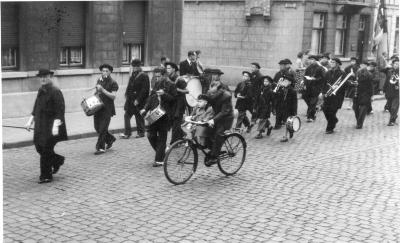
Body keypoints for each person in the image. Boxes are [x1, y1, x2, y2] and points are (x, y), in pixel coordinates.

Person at [25, 69, 68, 183]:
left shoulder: (55, 91)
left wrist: (56, 125)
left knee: (45, 150)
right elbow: (36, 107)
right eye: (41, 77)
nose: (43, 79)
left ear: (50, 77)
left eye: (45, 76)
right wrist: (30, 121)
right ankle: (58, 160)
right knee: (39, 146)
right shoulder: (41, 90)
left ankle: (46, 175)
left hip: (51, 126)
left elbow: (60, 110)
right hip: (40, 125)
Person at [141, 69, 177, 167]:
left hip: (165, 115)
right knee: (150, 135)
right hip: (155, 113)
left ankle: (159, 160)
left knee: (162, 138)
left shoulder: (172, 84)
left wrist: (164, 94)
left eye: (159, 76)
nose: (157, 78)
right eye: (156, 76)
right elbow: (151, 97)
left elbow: (173, 99)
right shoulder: (157, 83)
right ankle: (162, 151)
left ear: (164, 75)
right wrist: (145, 108)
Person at [204, 75, 234, 166]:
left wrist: (213, 120)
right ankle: (213, 150)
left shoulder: (226, 96)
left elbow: (224, 112)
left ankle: (214, 157)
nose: (211, 94)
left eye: (213, 92)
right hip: (216, 116)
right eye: (210, 91)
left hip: (226, 119)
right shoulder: (211, 94)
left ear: (218, 90)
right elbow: (206, 105)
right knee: (207, 131)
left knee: (218, 134)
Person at [93, 64, 119, 154]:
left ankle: (100, 148)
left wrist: (103, 90)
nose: (104, 73)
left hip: (107, 108)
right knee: (97, 128)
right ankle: (110, 139)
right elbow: (96, 92)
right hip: (97, 107)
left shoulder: (113, 83)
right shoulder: (99, 80)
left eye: (106, 71)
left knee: (103, 129)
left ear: (110, 72)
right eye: (103, 71)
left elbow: (113, 96)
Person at [121, 59, 149, 139]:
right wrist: (126, 94)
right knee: (127, 115)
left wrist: (138, 100)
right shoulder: (133, 74)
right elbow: (129, 86)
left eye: (136, 66)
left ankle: (141, 132)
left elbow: (145, 90)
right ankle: (127, 133)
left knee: (138, 116)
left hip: (139, 100)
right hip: (130, 99)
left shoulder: (144, 75)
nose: (134, 68)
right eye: (133, 66)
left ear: (139, 66)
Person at [321, 58, 346, 134]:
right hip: (328, 94)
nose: (331, 63)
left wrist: (337, 87)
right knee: (325, 109)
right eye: (331, 62)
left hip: (337, 96)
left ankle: (329, 128)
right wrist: (322, 92)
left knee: (332, 111)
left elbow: (344, 84)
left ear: (337, 64)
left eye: (333, 62)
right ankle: (334, 120)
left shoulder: (342, 73)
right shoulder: (328, 72)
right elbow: (324, 83)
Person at [273, 59, 297, 128]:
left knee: (285, 110)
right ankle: (278, 124)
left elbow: (294, 83)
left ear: (285, 66)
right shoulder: (278, 74)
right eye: (280, 65)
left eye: (282, 65)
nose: (281, 67)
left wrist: (284, 84)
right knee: (278, 109)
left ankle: (283, 122)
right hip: (278, 94)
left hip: (286, 95)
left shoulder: (289, 74)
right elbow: (274, 81)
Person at [303, 55, 326, 122]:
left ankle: (311, 117)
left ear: (315, 60)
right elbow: (305, 77)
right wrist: (304, 84)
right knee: (306, 98)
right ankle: (312, 111)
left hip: (316, 87)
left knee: (313, 102)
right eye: (309, 59)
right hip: (308, 87)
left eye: (312, 59)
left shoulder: (320, 68)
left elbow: (323, 78)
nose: (310, 61)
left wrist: (315, 79)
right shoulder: (308, 68)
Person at [169, 76, 188, 146]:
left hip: (178, 111)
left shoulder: (180, 91)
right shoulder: (175, 89)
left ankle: (174, 143)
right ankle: (183, 136)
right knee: (176, 126)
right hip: (175, 110)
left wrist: (177, 113)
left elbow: (180, 105)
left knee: (175, 127)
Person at [382, 57, 399, 126]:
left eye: (398, 64)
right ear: (393, 64)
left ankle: (391, 121)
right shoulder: (389, 71)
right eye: (395, 64)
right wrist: (383, 90)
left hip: (397, 93)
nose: (396, 65)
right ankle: (394, 116)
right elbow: (386, 81)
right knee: (389, 107)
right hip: (389, 91)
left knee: (394, 107)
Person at [249, 62, 264, 127]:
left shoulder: (260, 76)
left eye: (253, 67)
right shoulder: (252, 74)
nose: (252, 68)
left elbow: (261, 86)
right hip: (252, 93)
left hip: (257, 94)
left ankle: (254, 119)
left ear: (257, 68)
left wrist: (258, 94)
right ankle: (254, 119)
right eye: (251, 67)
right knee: (253, 107)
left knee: (255, 107)